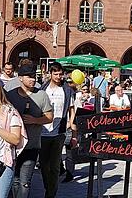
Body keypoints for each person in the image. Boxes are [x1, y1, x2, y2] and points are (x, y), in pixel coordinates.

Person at [5, 63, 54, 198]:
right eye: (29, 77)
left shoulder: (42, 95)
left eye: (34, 77)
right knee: (14, 180)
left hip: (32, 144)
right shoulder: (10, 95)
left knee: (25, 182)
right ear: (20, 78)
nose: (33, 79)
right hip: (13, 145)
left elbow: (49, 117)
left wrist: (35, 120)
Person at [39, 62, 75, 198]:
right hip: (43, 130)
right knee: (43, 164)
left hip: (59, 129)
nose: (59, 77)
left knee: (54, 166)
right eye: (56, 74)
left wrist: (71, 124)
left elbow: (72, 109)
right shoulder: (43, 89)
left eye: (61, 74)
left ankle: (50, 194)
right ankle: (48, 187)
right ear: (50, 74)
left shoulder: (66, 90)